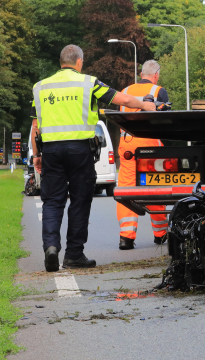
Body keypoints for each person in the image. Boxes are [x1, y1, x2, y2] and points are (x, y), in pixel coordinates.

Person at [31, 44, 154, 272]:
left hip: (51, 152)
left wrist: (36, 155)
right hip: (80, 151)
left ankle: (51, 247)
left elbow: (35, 126)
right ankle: (74, 255)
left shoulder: (40, 87)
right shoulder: (89, 82)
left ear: (61, 62)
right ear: (79, 62)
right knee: (80, 200)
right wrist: (145, 105)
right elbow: (122, 100)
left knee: (52, 201)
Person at [116, 60, 172, 250]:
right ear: (156, 74)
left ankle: (126, 237)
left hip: (128, 145)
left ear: (141, 74)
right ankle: (161, 234)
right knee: (155, 187)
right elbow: (166, 120)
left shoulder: (124, 91)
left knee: (126, 190)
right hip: (150, 145)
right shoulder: (159, 91)